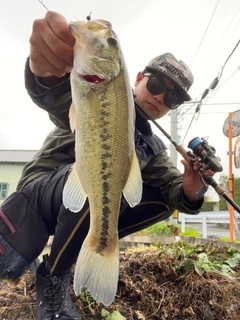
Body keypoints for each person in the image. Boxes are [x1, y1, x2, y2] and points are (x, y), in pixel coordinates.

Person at [0, 11, 210, 320]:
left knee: (161, 197)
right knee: (100, 183)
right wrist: (44, 73)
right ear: (137, 78)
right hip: (40, 195)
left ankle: (85, 249)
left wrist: (192, 191)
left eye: (173, 97)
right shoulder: (94, 91)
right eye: (156, 84)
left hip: (87, 202)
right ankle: (53, 276)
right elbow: (55, 98)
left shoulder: (152, 148)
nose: (161, 97)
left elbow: (174, 189)